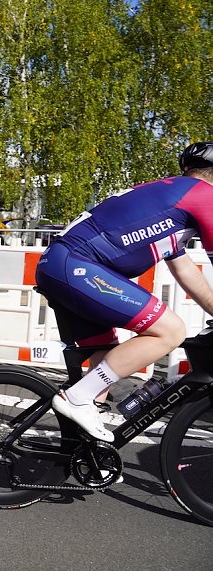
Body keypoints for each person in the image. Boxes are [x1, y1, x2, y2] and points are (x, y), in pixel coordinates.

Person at [36, 142, 213, 442]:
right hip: (77, 266)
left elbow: (185, 270)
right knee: (170, 331)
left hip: (63, 264)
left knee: (102, 369)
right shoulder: (204, 195)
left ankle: (82, 452)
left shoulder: (173, 201)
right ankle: (75, 399)